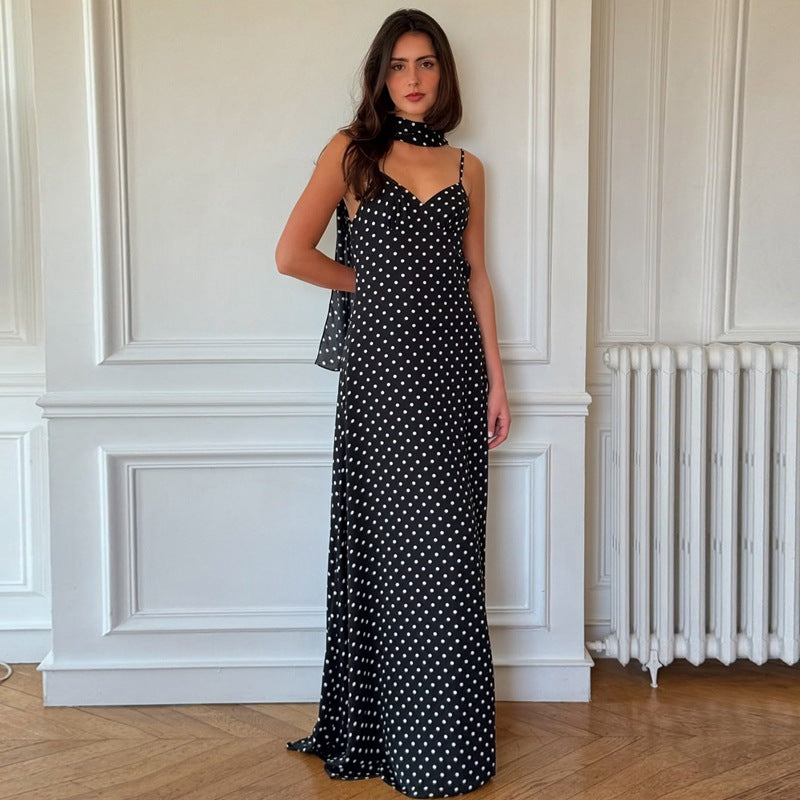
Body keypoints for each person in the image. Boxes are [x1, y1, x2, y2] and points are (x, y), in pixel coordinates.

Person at [275, 8, 510, 798]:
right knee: (402, 560)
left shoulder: (469, 168)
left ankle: (453, 746)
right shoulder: (352, 152)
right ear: (380, 77)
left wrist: (498, 381)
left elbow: (476, 276)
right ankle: (401, 744)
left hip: (455, 379)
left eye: (427, 63)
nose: (413, 78)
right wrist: (373, 284)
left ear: (444, 75)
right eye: (399, 65)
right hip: (384, 384)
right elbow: (291, 254)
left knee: (451, 562)